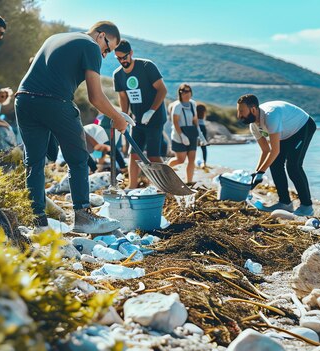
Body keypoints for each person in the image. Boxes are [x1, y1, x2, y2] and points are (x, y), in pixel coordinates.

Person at [15, 21, 134, 234]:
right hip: (54, 101)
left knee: (33, 163)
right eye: (107, 48)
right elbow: (95, 97)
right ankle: (83, 217)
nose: (105, 55)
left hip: (23, 100)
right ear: (100, 35)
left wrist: (116, 112)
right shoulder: (90, 46)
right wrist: (117, 118)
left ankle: (38, 223)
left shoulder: (57, 37)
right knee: (78, 159)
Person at [236, 94, 317, 216]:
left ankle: (307, 206)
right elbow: (265, 150)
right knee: (275, 164)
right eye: (238, 111)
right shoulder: (253, 126)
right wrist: (256, 173)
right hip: (285, 132)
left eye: (241, 111)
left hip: (302, 126)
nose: (239, 115)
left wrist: (261, 173)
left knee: (293, 166)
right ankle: (285, 203)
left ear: (253, 109)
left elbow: (274, 150)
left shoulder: (270, 116)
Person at [112, 40, 168, 189]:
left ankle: (164, 186)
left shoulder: (146, 66)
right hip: (136, 120)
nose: (122, 61)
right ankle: (132, 186)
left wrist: (151, 111)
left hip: (154, 118)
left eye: (124, 57)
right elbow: (123, 97)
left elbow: (162, 90)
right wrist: (124, 115)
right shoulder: (118, 75)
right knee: (134, 155)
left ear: (131, 53)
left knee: (153, 155)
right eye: (118, 58)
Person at [167, 84, 201, 184]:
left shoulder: (193, 104)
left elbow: (195, 119)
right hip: (179, 135)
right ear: (180, 93)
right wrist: (182, 135)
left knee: (192, 159)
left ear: (191, 92)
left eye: (188, 91)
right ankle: (167, 169)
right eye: (183, 91)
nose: (186, 94)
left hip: (191, 134)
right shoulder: (177, 105)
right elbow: (175, 121)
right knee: (180, 160)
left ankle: (189, 181)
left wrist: (200, 134)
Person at [197, 103, 209, 167]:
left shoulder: (195, 112)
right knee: (203, 146)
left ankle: (192, 160)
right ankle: (204, 162)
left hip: (195, 126)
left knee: (193, 146)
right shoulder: (203, 113)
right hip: (202, 126)